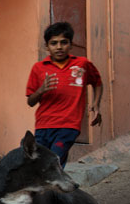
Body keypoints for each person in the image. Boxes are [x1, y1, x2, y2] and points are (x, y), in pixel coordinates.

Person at [26, 21, 103, 167]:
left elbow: (97, 83)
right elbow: (30, 102)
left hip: (69, 125)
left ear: (71, 44)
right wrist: (41, 90)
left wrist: (96, 104)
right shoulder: (38, 68)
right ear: (47, 47)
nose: (59, 47)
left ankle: (53, 189)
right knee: (39, 165)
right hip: (43, 126)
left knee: (54, 160)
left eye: (64, 42)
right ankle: (56, 189)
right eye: (54, 43)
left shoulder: (82, 64)